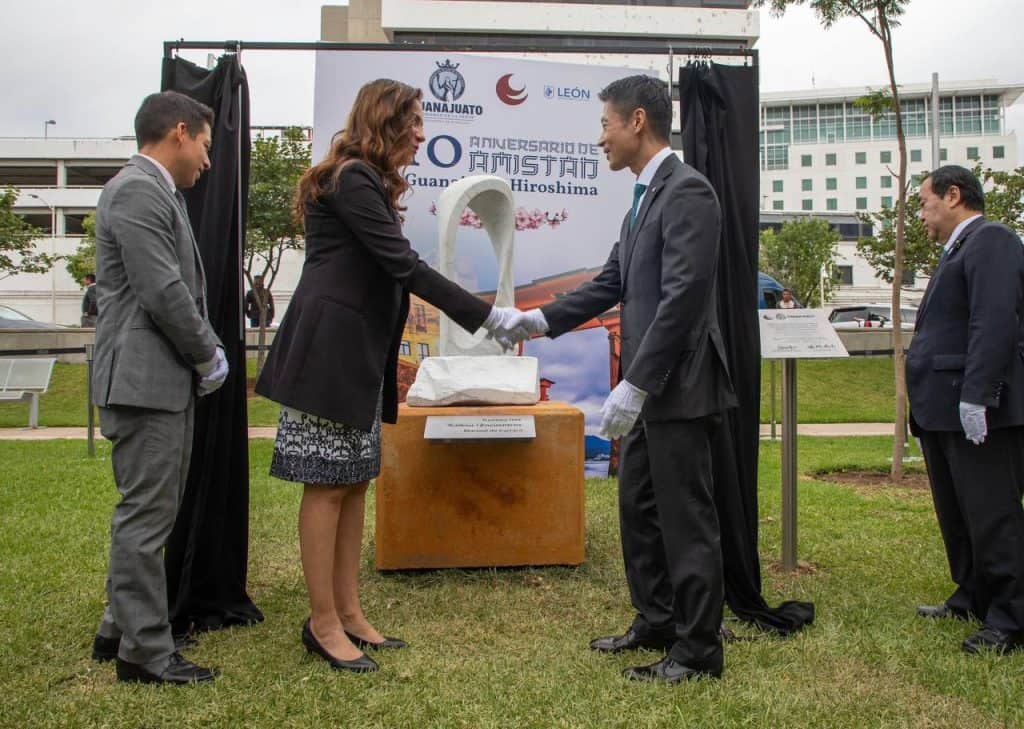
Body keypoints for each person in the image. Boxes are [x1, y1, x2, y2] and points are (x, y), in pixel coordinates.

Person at [255, 78, 522, 674]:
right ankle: (322, 622)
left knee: (351, 482)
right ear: (386, 121)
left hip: (355, 353)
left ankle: (349, 612)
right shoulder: (353, 178)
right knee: (325, 485)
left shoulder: (363, 180)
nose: (424, 133)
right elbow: (402, 265)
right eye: (415, 121)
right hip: (329, 353)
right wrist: (490, 317)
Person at [509, 75, 736, 683]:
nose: (599, 138)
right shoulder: (642, 197)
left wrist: (635, 382)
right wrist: (534, 320)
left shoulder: (689, 192)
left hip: (677, 387)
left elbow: (683, 297)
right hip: (648, 386)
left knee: (686, 519)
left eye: (605, 124)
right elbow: (611, 283)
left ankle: (697, 650)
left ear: (637, 121)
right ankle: (658, 619)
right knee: (639, 509)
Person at [89, 91, 229, 684]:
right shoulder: (139, 189)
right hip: (146, 380)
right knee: (146, 519)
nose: (207, 159)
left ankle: (118, 628)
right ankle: (145, 653)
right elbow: (163, 291)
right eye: (204, 144)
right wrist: (208, 353)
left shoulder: (148, 190)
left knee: (148, 513)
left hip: (151, 380)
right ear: (178, 132)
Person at [908, 165, 1024, 654]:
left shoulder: (992, 240)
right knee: (957, 512)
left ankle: (1011, 617)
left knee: (991, 512)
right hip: (941, 410)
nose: (920, 216)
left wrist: (978, 394)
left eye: (924, 203)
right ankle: (973, 592)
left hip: (976, 408)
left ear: (953, 196)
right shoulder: (956, 250)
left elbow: (993, 321)